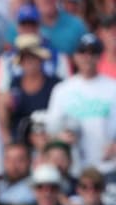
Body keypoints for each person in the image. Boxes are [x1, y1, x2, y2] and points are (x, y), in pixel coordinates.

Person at [45, 33, 116, 171]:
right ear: (75, 56)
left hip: (107, 166)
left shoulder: (113, 87)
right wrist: (61, 138)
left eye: (92, 52)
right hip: (72, 167)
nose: (87, 57)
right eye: (82, 52)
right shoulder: (62, 89)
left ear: (99, 56)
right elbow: (51, 128)